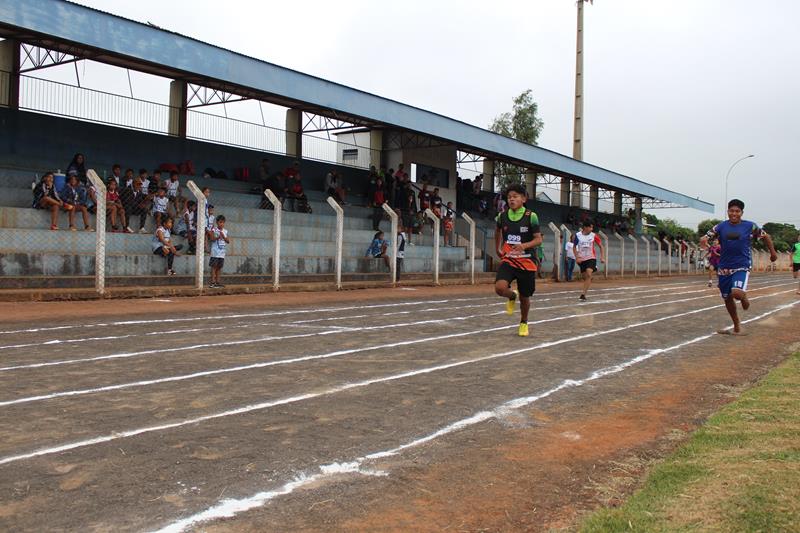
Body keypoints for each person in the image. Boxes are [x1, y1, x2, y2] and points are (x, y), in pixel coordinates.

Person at [700, 199, 778, 335]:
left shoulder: (750, 226)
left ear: (742, 213)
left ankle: (743, 296)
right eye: (731, 211)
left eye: (737, 211)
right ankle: (736, 326)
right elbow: (705, 237)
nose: (734, 214)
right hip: (723, 267)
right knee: (727, 298)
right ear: (728, 211)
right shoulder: (720, 227)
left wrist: (773, 253)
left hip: (742, 265)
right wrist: (704, 240)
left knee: (736, 293)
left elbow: (766, 237)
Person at [494, 184, 542, 337]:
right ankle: (511, 296)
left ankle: (523, 322)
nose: (511, 199)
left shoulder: (531, 216)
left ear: (523, 198)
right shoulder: (502, 216)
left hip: (527, 262)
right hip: (509, 259)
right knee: (500, 288)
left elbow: (538, 239)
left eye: (515, 196)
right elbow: (497, 230)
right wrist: (498, 247)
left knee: (525, 296)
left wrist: (524, 245)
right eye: (509, 197)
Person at [573, 220, 605, 301]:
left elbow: (601, 246)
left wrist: (602, 257)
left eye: (592, 227)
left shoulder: (594, 236)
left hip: (591, 257)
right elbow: (574, 247)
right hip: (581, 259)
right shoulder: (578, 235)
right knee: (585, 277)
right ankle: (594, 268)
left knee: (588, 274)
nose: (591, 229)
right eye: (590, 227)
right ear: (585, 227)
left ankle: (583, 294)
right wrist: (577, 257)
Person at [208, 215, 229, 288]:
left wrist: (223, 236)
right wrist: (217, 237)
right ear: (217, 222)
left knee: (219, 267)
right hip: (215, 252)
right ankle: (212, 282)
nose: (222, 224)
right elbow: (211, 238)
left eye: (223, 222)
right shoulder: (214, 230)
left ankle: (218, 282)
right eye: (220, 222)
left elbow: (228, 241)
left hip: (222, 253)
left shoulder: (225, 231)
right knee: (214, 267)